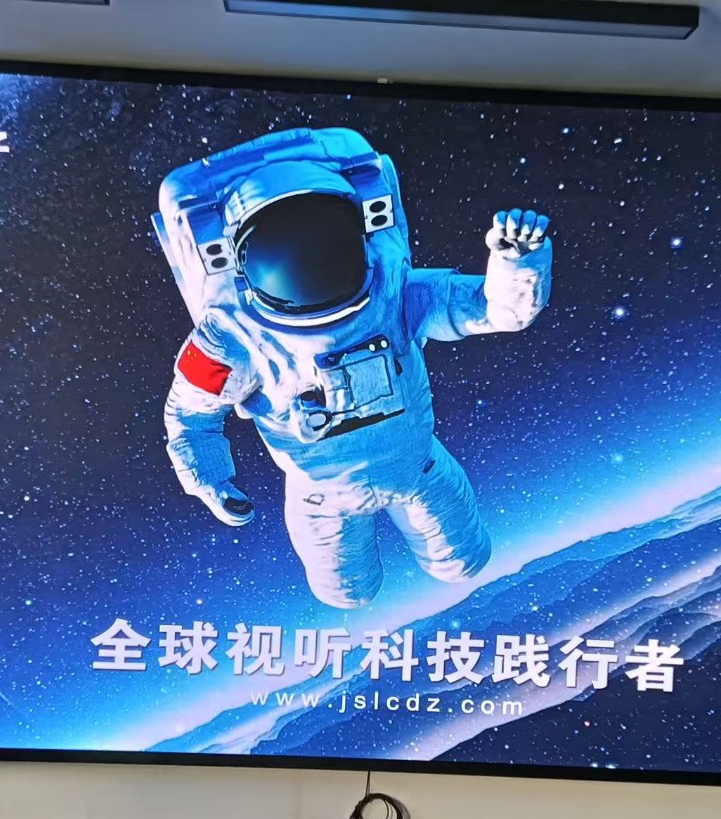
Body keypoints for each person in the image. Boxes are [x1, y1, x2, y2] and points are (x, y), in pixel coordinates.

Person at [156, 128, 552, 608]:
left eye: (322, 240)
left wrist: (516, 263)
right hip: (324, 499)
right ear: (240, 262)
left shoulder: (394, 290)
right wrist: (209, 480)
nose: (306, 262)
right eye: (284, 249)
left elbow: (496, 309)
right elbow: (191, 416)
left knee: (463, 561)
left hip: (417, 467)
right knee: (347, 593)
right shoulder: (234, 337)